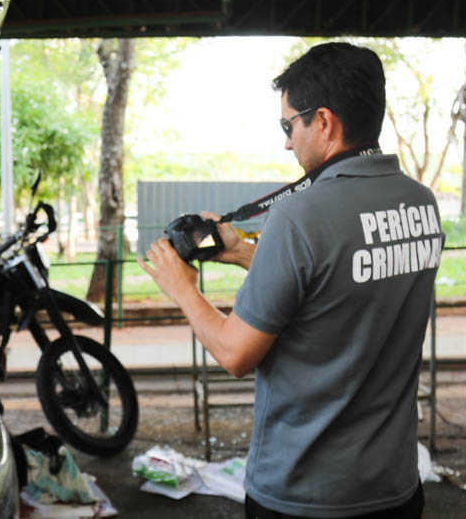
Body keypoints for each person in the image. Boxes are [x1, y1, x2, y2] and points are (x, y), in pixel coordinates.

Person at [138, 42, 443, 518]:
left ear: (323, 122)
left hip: (305, 494)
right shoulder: (421, 204)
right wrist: (240, 251)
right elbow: (337, 281)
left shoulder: (298, 218)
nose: (285, 141)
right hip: (395, 488)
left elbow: (235, 353)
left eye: (288, 125)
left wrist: (182, 287)